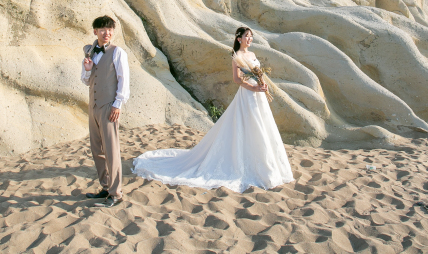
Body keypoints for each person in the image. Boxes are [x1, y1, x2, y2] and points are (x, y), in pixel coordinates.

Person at [132, 26, 293, 193]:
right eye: (247, 36)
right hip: (248, 94)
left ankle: (266, 164)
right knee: (250, 125)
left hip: (258, 94)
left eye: (251, 36)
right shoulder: (237, 56)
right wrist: (253, 88)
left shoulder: (252, 55)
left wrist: (262, 84)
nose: (250, 39)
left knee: (262, 125)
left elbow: (258, 73)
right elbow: (236, 79)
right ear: (239, 39)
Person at [82, 15, 130, 208]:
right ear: (95, 31)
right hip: (93, 106)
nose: (106, 33)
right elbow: (86, 80)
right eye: (102, 29)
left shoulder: (118, 53)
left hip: (109, 107)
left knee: (111, 151)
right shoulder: (90, 52)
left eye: (109, 29)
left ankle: (116, 193)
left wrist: (117, 104)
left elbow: (123, 80)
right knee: (97, 150)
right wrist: (87, 69)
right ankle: (105, 186)